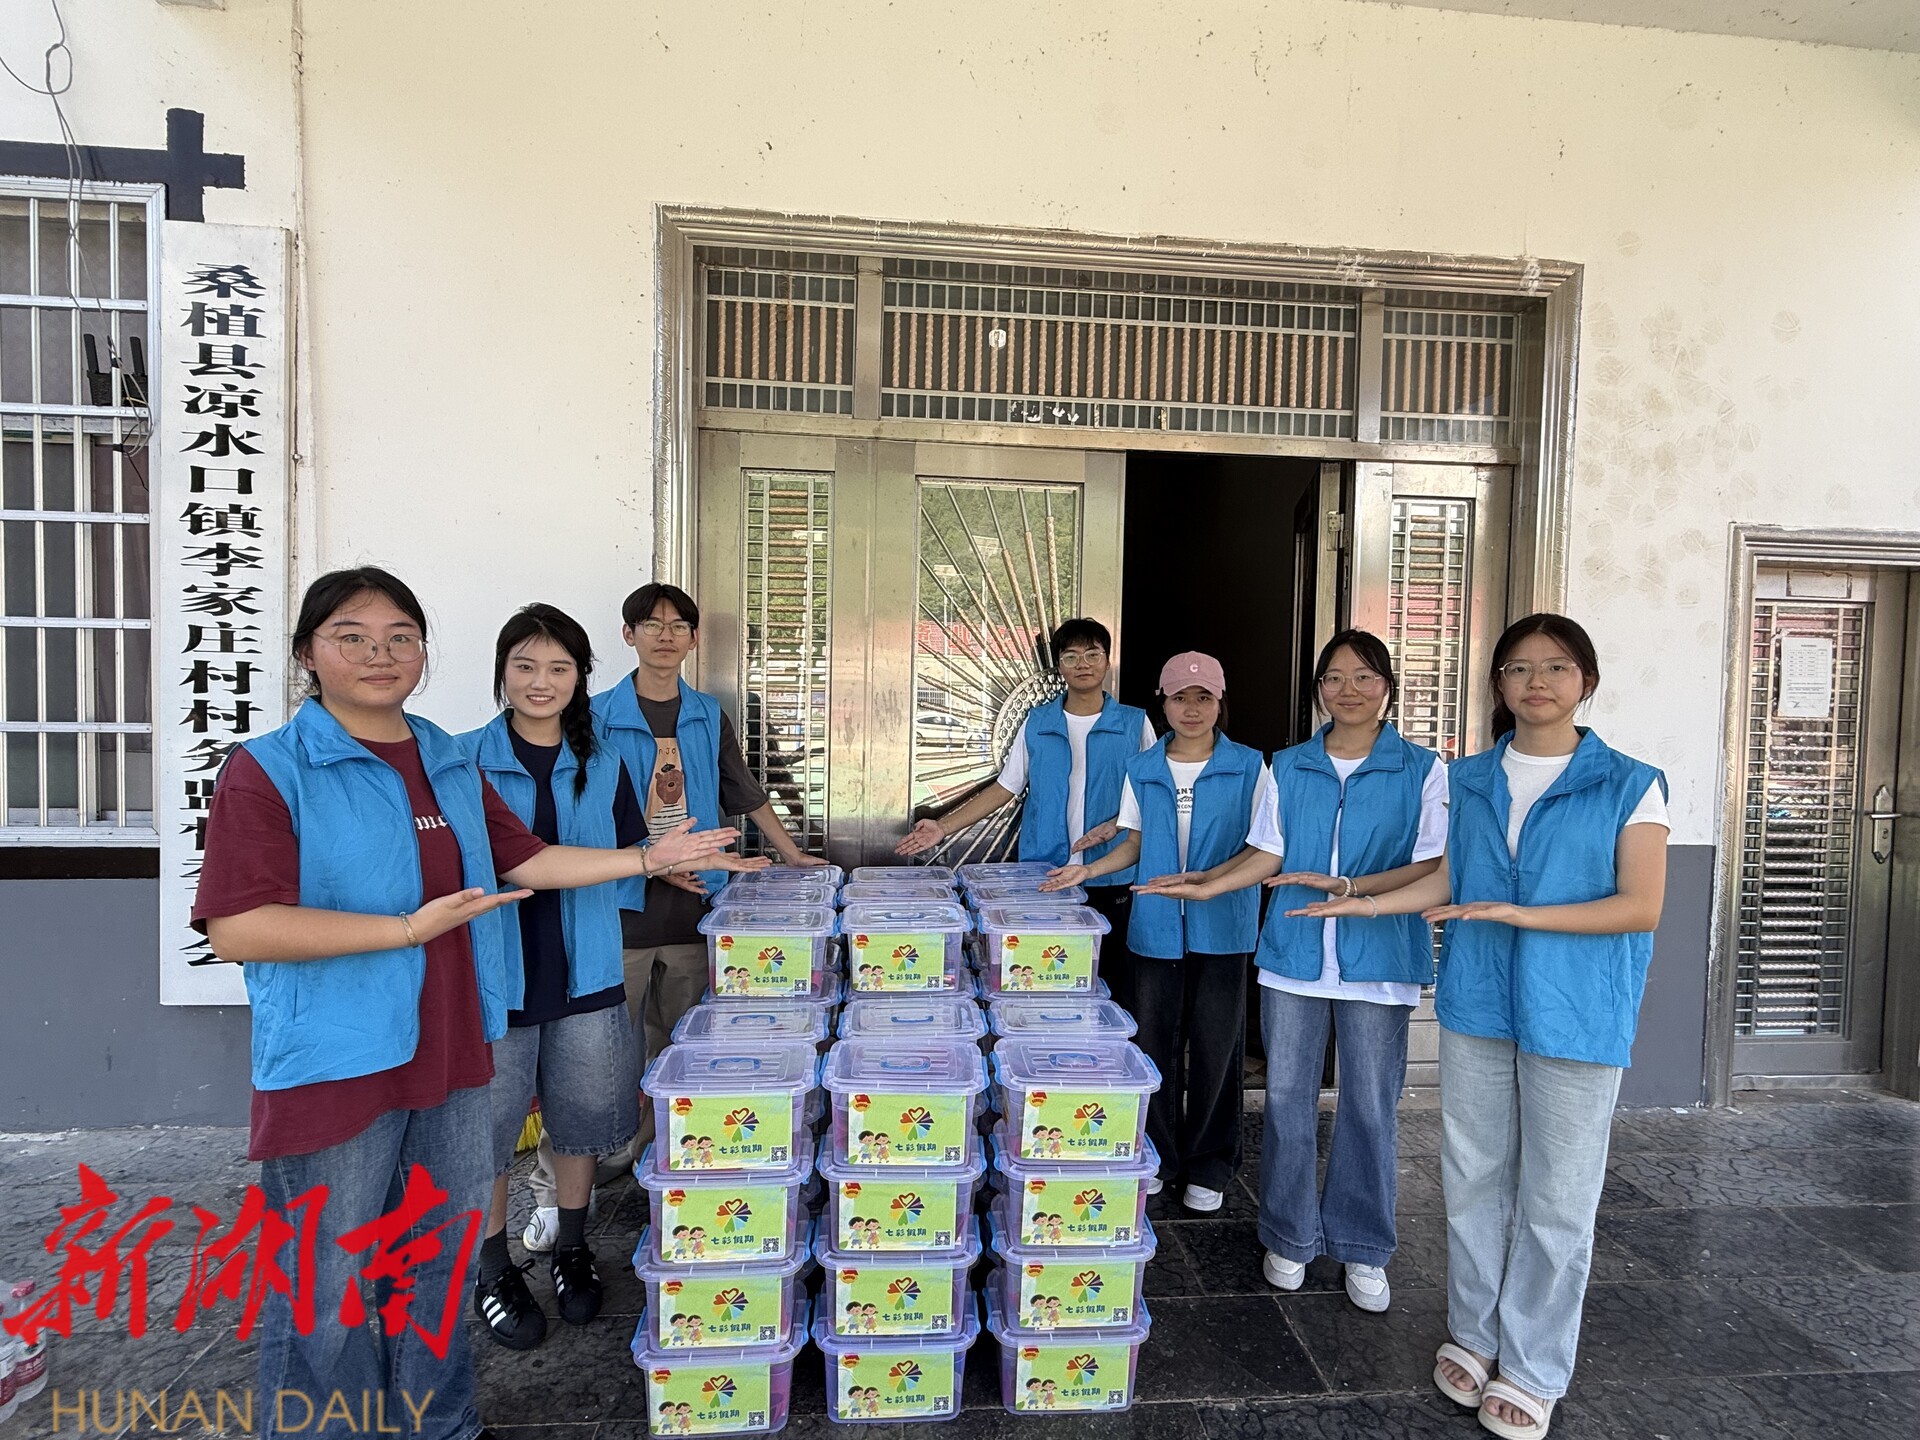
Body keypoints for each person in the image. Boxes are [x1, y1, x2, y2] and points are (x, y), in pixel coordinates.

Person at [192, 567, 745, 1440]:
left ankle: (441, 1422)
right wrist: (406, 930)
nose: (380, 654)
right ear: (306, 654)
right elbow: (239, 927)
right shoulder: (270, 769)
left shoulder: (443, 759)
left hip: (452, 1048)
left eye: (400, 638)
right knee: (330, 1280)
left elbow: (527, 859)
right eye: (351, 637)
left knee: (437, 1262)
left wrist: (647, 859)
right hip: (338, 1059)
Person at [1292, 614, 1668, 1440]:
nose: (1538, 682)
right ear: (1498, 684)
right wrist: (1363, 903)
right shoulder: (1467, 779)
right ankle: (1475, 1332)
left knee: (1557, 1196)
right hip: (1480, 1000)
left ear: (1587, 680)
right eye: (1519, 668)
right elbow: (1450, 881)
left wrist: (1523, 915)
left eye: (1557, 667)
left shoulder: (1630, 782)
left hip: (1577, 1009)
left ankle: (1533, 1365)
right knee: (1472, 1176)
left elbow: (1640, 905)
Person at [456, 603, 764, 1350]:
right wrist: (649, 858)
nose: (541, 682)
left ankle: (572, 1246)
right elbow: (525, 860)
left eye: (558, 668)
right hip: (497, 970)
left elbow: (632, 843)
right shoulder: (463, 761)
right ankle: (493, 1267)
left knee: (583, 1119)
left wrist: (680, 865)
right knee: (489, 1130)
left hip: (588, 963)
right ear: (501, 673)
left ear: (580, 678)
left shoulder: (602, 761)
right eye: (525, 666)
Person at [1138, 630, 1446, 1314]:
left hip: (1378, 960)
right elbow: (1267, 852)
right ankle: (1289, 1234)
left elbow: (1432, 863)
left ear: (1387, 686)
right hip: (1293, 958)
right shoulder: (1290, 764)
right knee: (1286, 1103)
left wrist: (1353, 890)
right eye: (1334, 678)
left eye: (1363, 677)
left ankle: (1363, 1245)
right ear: (1319, 690)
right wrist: (1208, 885)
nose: (1348, 690)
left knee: (1369, 1107)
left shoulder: (1423, 769)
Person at [518, 581, 825, 1251]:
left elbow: (742, 790)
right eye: (651, 624)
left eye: (678, 625)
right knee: (590, 1068)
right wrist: (648, 863)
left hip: (695, 915)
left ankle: (655, 1174)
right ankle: (551, 1194)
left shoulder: (707, 713)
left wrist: (791, 853)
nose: (665, 635)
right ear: (628, 635)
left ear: (693, 638)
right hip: (617, 915)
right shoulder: (592, 714)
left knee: (681, 1056)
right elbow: (581, 809)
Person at [1041, 652, 1266, 1211]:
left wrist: (1212, 883)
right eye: (1179, 698)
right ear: (1163, 703)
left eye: (1203, 698)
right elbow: (1134, 842)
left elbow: (1263, 846)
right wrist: (1089, 870)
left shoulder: (1249, 766)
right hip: (1156, 923)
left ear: (1219, 702)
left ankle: (1211, 1164)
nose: (1191, 709)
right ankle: (1158, 1155)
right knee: (1153, 1043)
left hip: (1224, 926)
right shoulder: (1142, 767)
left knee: (1217, 1047)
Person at [895, 617, 1155, 1007]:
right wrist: (943, 827)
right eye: (1071, 656)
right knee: (1045, 978)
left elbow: (1153, 794)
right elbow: (1006, 787)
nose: (1082, 664)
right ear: (1059, 665)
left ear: (1107, 660)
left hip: (1110, 873)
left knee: (1107, 981)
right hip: (1045, 873)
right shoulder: (1039, 722)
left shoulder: (1134, 723)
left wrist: (1116, 825)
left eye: (1092, 654)